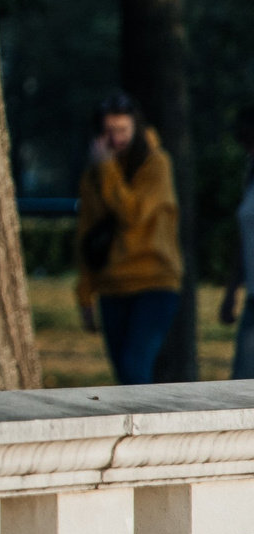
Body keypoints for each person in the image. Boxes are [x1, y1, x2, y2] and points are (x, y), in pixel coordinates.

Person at [76, 92, 184, 386]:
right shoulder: (94, 176)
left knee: (135, 367)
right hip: (113, 287)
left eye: (122, 130)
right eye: (108, 132)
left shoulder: (157, 164)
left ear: (136, 128)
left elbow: (133, 214)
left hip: (154, 283)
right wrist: (85, 295)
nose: (116, 139)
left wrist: (106, 169)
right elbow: (86, 236)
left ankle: (149, 430)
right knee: (125, 379)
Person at [223, 106, 254, 381]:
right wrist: (232, 290)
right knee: (242, 386)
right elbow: (244, 239)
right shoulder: (251, 176)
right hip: (252, 300)